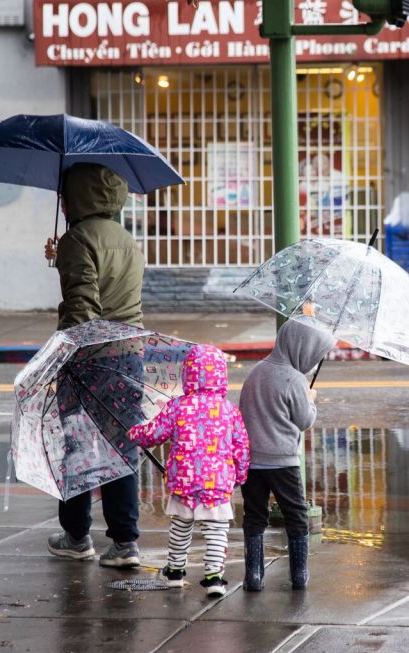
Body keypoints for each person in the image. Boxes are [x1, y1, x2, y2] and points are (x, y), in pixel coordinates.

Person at [44, 163, 146, 568]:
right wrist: (62, 259)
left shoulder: (77, 239)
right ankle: (125, 543)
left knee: (79, 448)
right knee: (122, 447)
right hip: (129, 355)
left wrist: (59, 357)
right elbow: (110, 287)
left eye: (65, 194)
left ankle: (76, 535)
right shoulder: (126, 238)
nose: (62, 202)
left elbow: (83, 309)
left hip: (90, 359)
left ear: (79, 197)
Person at [128, 344, 249, 598]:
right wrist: (239, 475)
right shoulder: (229, 410)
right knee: (216, 530)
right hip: (216, 482)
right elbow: (241, 447)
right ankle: (214, 577)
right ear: (221, 375)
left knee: (181, 527)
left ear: (187, 374)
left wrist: (134, 431)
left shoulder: (177, 406)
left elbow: (154, 434)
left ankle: (175, 571)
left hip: (183, 481)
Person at [238, 318, 335, 591]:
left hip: (253, 461)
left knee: (254, 515)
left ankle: (254, 576)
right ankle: (299, 574)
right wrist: (311, 399)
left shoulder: (256, 371)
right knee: (296, 515)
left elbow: (245, 409)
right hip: (283, 463)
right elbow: (304, 421)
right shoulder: (295, 379)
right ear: (301, 348)